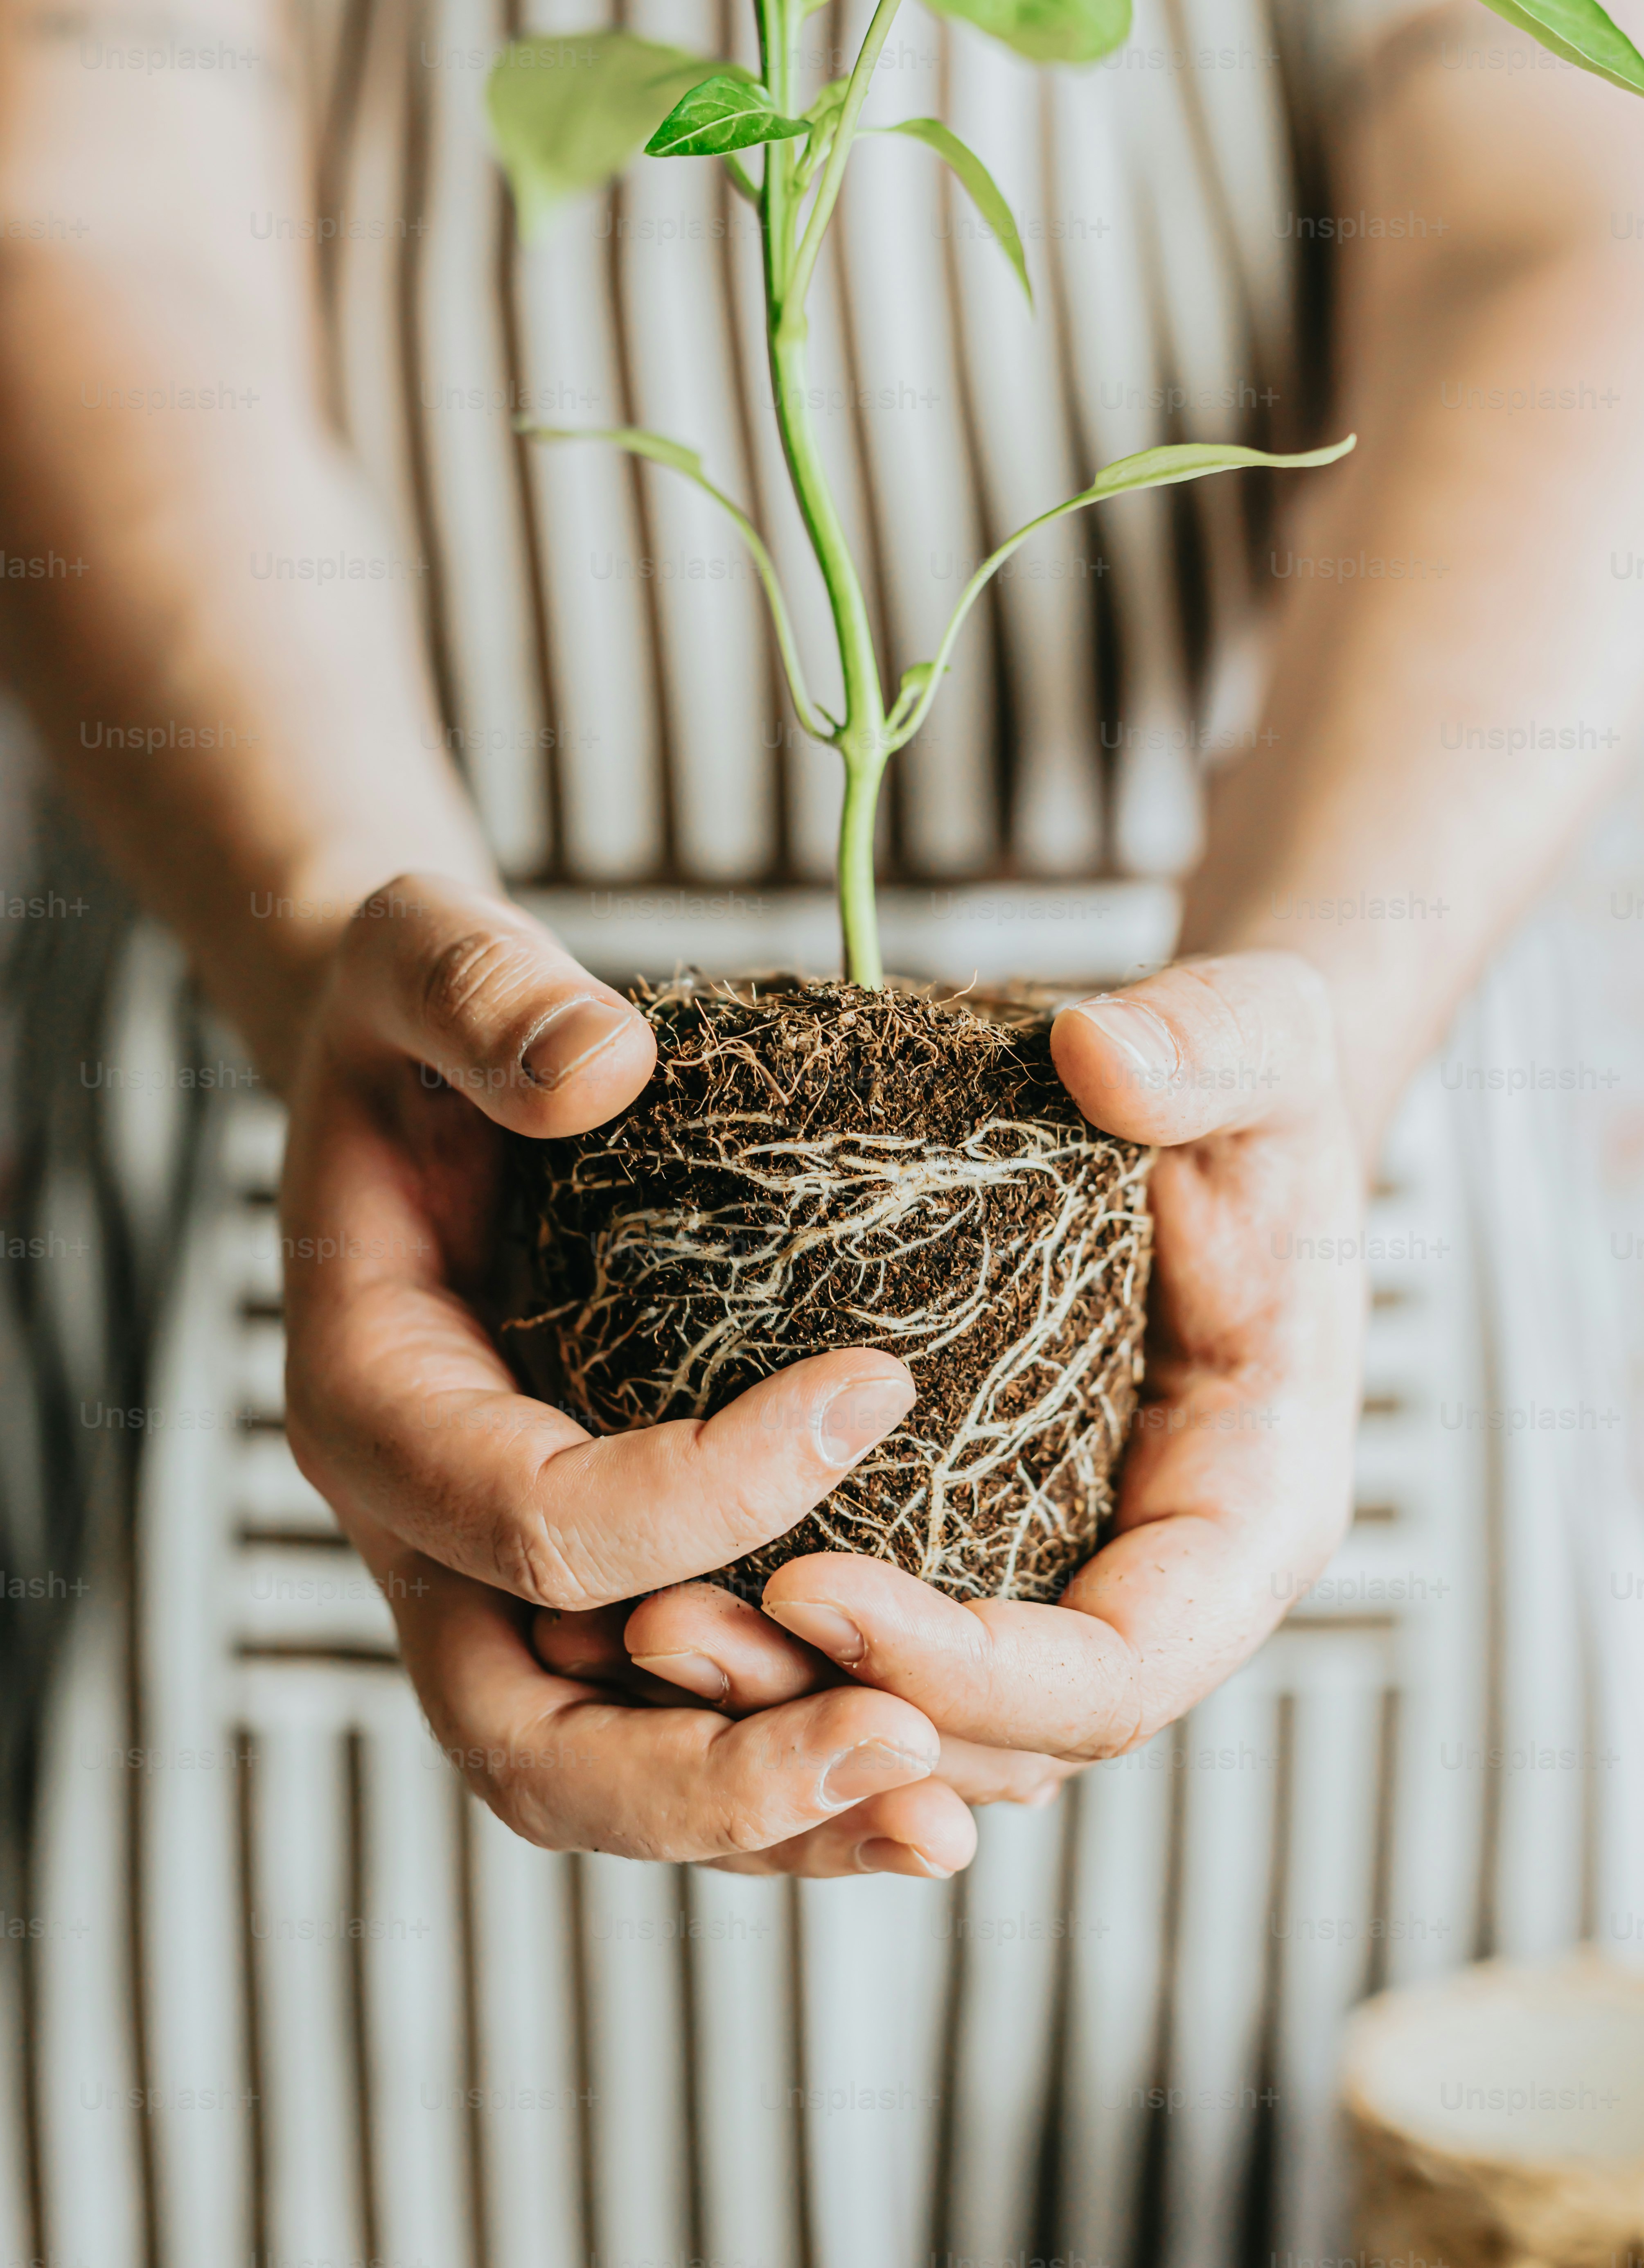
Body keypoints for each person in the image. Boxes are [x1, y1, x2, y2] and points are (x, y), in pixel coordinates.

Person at [0, 0, 1640, 2252]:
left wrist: (1315, 1030)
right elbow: (68, 170)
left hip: (1252, 1053)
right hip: (366, 1034)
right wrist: (340, 968)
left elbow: (1566, 185)